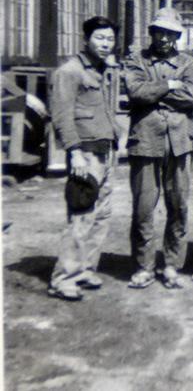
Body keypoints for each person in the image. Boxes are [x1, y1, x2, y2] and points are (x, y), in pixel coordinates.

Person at [124, 7, 193, 290]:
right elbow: (136, 92)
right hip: (145, 143)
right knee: (144, 208)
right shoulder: (136, 60)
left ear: (176, 36)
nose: (164, 39)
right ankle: (144, 266)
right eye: (159, 32)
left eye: (170, 34)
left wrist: (155, 94)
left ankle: (171, 265)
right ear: (152, 34)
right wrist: (169, 84)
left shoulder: (188, 63)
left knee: (178, 206)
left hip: (179, 145)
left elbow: (192, 96)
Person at [48, 16, 121, 301]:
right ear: (86, 39)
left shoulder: (102, 70)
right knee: (81, 215)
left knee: (101, 215)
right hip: (85, 154)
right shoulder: (70, 71)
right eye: (100, 38)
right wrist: (74, 152)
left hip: (105, 151)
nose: (105, 44)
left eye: (110, 39)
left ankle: (85, 269)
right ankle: (63, 278)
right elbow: (62, 116)